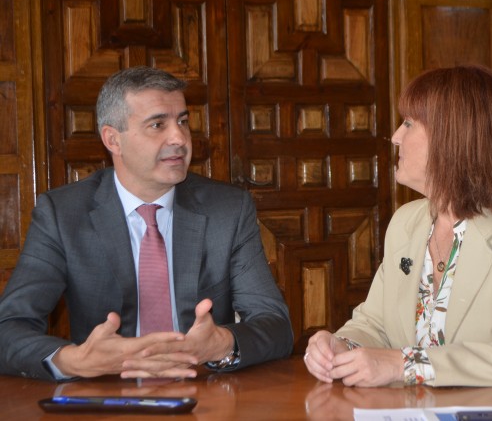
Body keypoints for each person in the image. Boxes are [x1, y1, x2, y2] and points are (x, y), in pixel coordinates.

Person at [0, 66, 293, 381]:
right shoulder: (62, 214)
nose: (179, 138)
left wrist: (222, 344)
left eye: (182, 121)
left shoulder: (228, 209)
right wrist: (74, 360)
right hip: (107, 399)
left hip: (204, 396)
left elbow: (275, 325)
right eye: (157, 124)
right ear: (113, 139)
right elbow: (9, 328)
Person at [304, 65, 492, 387]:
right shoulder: (407, 221)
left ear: (455, 136)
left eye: (409, 123)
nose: (395, 137)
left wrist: (407, 365)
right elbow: (374, 323)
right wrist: (340, 346)